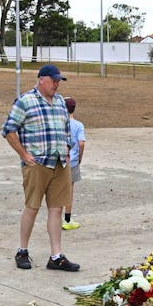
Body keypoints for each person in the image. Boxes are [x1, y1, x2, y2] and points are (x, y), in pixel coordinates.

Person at [2, 64, 79, 272]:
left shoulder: (61, 102)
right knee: (32, 207)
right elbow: (9, 130)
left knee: (56, 209)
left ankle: (56, 256)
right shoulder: (25, 101)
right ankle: (22, 251)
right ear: (41, 79)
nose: (56, 85)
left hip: (59, 163)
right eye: (54, 80)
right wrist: (24, 155)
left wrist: (68, 148)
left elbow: (66, 129)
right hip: (37, 164)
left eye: (58, 81)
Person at [62, 96, 85, 231]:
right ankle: (67, 219)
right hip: (73, 161)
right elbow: (81, 143)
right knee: (70, 190)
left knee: (59, 189)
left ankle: (56, 216)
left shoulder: (60, 123)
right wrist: (80, 157)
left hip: (61, 160)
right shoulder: (78, 125)